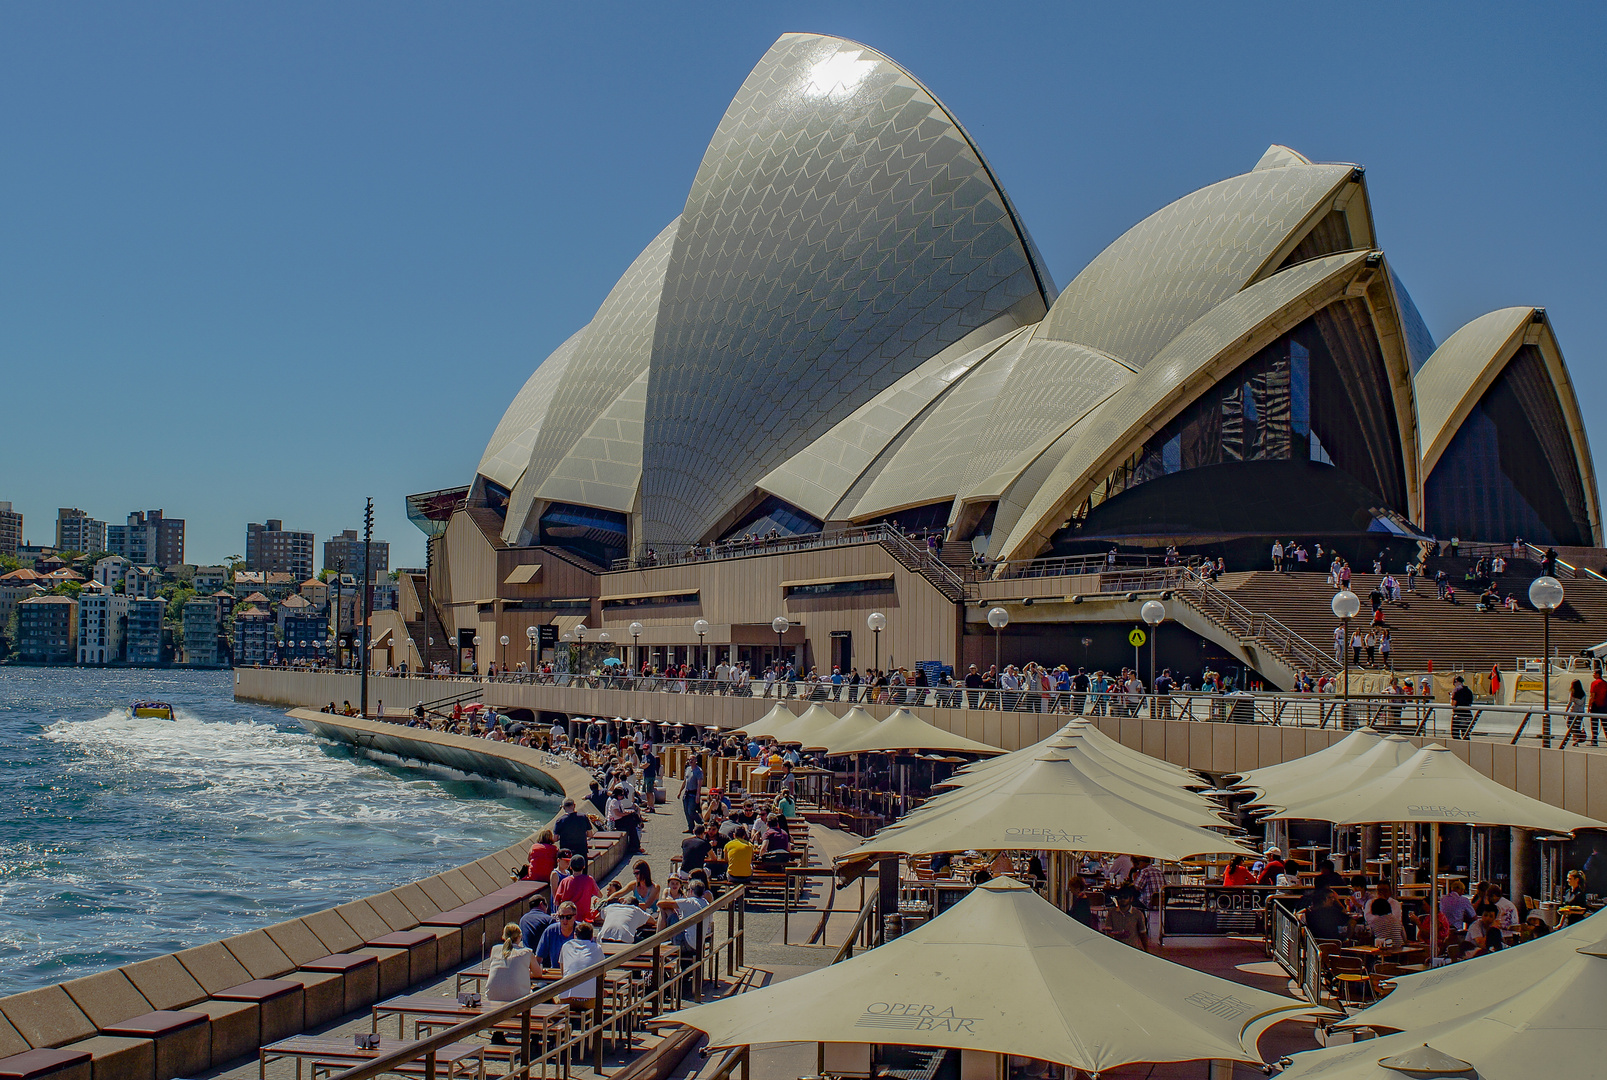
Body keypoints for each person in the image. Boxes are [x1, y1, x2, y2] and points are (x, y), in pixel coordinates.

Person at [484, 923, 539, 1002]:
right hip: (518, 997)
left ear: (504, 936)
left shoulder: (495, 949)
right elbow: (538, 974)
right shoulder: (527, 952)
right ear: (520, 937)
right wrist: (526, 972)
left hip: (493, 996)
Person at [558, 922, 606, 1009]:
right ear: (591, 936)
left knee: (550, 997)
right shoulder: (597, 948)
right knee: (601, 992)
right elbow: (603, 973)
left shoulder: (566, 946)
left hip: (567, 998)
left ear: (575, 935)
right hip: (589, 999)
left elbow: (562, 972)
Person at [555, 855, 601, 922]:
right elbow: (599, 895)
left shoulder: (565, 881)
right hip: (583, 918)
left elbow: (556, 901)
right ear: (583, 867)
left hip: (568, 917)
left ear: (570, 867)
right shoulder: (589, 880)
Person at [534, 901, 580, 968]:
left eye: (568, 917)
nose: (564, 920)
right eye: (561, 917)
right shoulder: (550, 931)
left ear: (575, 916)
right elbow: (539, 957)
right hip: (556, 973)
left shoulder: (582, 930)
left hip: (577, 973)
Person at [681, 757, 704, 832]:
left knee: (691, 811)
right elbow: (685, 781)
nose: (690, 761)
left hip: (693, 793)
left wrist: (698, 795)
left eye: (692, 759)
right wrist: (680, 791)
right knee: (686, 812)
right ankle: (691, 828)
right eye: (689, 760)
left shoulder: (698, 771)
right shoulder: (688, 769)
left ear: (696, 761)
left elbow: (699, 784)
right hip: (686, 793)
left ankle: (701, 823)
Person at [1450, 675, 1474, 739]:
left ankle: (1458, 747)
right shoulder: (1468, 691)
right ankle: (1467, 747)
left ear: (1456, 681)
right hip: (1467, 714)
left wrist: (1451, 697)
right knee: (1465, 733)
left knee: (1455, 733)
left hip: (1458, 714)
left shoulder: (1456, 690)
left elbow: (1453, 704)